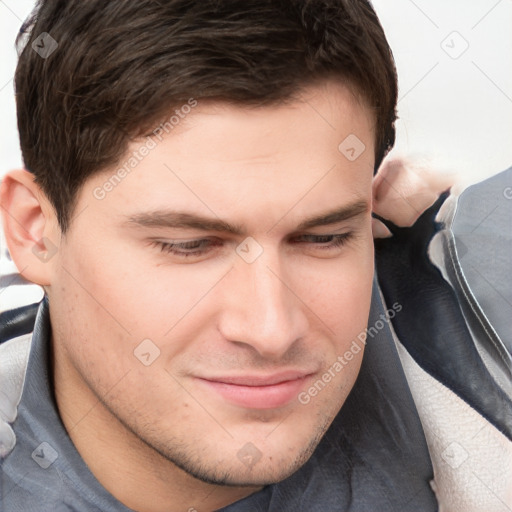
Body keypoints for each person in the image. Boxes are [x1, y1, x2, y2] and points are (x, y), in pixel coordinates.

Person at [0, 1, 510, 511]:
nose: (271, 330)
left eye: (325, 237)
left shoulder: (479, 310)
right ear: (34, 232)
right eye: (189, 245)